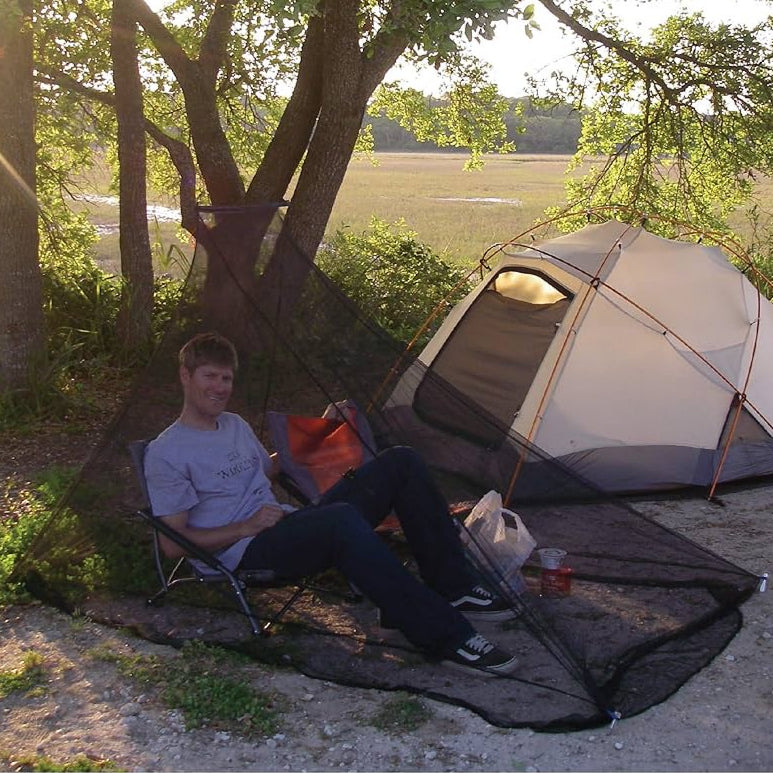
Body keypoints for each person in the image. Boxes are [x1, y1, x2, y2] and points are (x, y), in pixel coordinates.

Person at [144, 331, 519, 676]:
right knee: (340, 520)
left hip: (285, 527)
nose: (220, 387)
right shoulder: (167, 453)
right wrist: (246, 527)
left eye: (226, 378)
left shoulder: (234, 425)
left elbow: (270, 469)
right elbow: (173, 544)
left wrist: (323, 430)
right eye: (210, 376)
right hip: (246, 552)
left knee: (401, 462)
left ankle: (454, 587)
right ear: (185, 376)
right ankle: (449, 637)